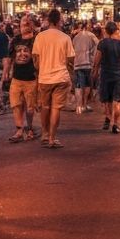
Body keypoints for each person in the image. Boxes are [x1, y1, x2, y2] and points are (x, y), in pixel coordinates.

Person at [32, 8, 75, 149]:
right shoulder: (65, 38)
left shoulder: (40, 37)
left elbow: (35, 59)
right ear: (58, 21)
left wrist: (42, 68)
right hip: (61, 77)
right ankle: (52, 138)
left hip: (45, 78)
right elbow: (71, 59)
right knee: (56, 108)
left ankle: (44, 134)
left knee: (45, 106)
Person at [5, 14, 39, 142]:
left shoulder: (36, 40)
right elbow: (9, 58)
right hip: (17, 78)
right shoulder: (15, 40)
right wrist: (6, 73)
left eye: (28, 23)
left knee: (30, 108)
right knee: (16, 105)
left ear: (32, 25)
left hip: (31, 78)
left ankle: (29, 128)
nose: (25, 25)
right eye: (24, 23)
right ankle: (19, 129)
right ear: (19, 26)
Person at [91, 19, 120, 135]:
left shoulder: (102, 43)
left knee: (106, 99)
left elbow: (97, 60)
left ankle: (107, 117)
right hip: (118, 75)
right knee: (117, 100)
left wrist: (95, 72)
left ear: (106, 31)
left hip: (106, 74)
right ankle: (115, 124)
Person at [71, 20, 98, 114]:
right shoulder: (91, 35)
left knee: (78, 85)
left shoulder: (75, 37)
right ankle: (84, 104)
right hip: (88, 63)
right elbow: (98, 47)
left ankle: (78, 106)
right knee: (87, 85)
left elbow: (72, 49)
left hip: (77, 63)